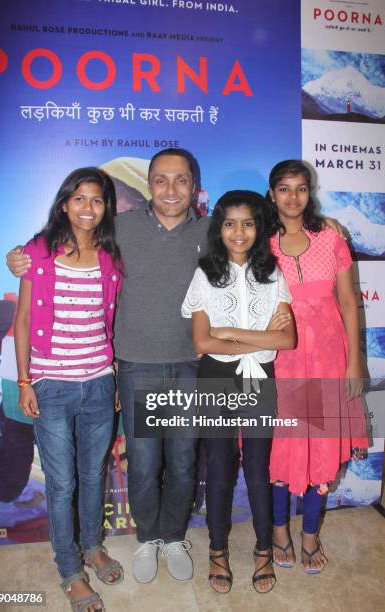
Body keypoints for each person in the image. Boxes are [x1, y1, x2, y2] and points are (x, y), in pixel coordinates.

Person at [7, 148, 210, 584]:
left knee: (177, 462)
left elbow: (255, 235)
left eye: (180, 180)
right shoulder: (91, 238)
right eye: (160, 179)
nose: (170, 189)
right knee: (124, 468)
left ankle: (162, 538)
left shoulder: (204, 232)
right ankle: (115, 550)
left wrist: (313, 224)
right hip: (105, 372)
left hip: (150, 372)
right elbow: (27, 305)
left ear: (194, 185)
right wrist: (17, 258)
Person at [14, 167, 124, 612]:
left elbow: (108, 324)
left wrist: (112, 377)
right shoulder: (38, 252)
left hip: (98, 383)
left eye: (96, 200)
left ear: (105, 208)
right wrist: (25, 380)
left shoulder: (110, 256)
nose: (88, 208)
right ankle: (69, 570)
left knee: (93, 476)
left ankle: (93, 547)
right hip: (52, 385)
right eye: (79, 199)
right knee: (61, 485)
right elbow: (22, 320)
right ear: (64, 204)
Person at [182, 190, 296, 594]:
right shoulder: (205, 274)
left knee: (258, 467)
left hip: (260, 377)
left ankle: (264, 550)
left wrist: (229, 331)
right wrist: (260, 339)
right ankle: (218, 551)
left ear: (259, 227)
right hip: (216, 377)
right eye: (230, 223)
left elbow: (287, 339)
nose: (239, 231)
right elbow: (202, 343)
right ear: (219, 228)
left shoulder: (273, 273)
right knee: (217, 464)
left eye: (247, 223)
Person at [265, 160, 368, 574]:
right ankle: (278, 531)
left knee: (322, 450)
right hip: (282, 361)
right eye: (285, 189)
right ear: (271, 194)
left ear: (311, 192)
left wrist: (356, 360)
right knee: (283, 448)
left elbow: (347, 302)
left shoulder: (330, 238)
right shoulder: (260, 242)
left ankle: (309, 534)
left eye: (301, 188)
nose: (293, 197)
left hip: (329, 358)